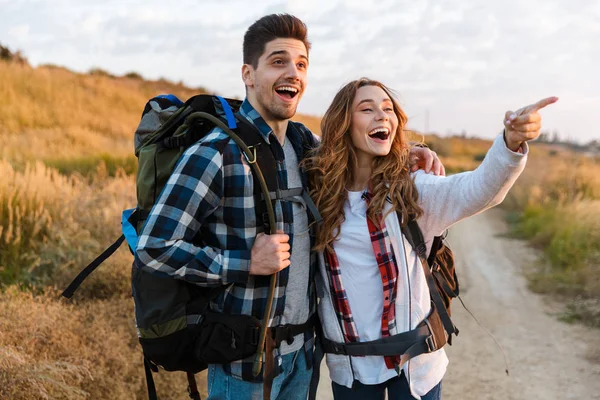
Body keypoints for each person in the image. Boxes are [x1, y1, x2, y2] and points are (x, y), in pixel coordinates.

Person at [135, 15, 441, 400]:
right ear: (248, 74)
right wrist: (244, 260)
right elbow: (154, 246)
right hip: (243, 364)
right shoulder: (215, 153)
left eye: (301, 64)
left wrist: (408, 153)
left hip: (303, 358)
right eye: (278, 61)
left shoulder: (304, 145)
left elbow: (355, 152)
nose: (293, 72)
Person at [305, 78, 557, 400]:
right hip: (350, 366)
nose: (382, 116)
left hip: (415, 366)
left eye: (388, 109)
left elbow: (477, 190)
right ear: (343, 123)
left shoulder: (412, 190)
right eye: (366, 109)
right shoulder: (319, 190)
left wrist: (509, 143)